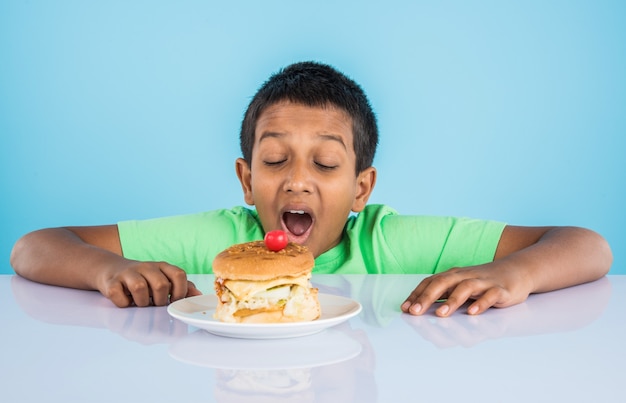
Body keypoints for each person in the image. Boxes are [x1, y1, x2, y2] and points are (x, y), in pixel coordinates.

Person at [10, 61, 613, 317]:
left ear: (360, 188)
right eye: (275, 160)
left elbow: (588, 246)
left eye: (326, 165)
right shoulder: (220, 242)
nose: (297, 179)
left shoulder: (390, 240)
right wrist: (105, 272)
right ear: (247, 180)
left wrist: (516, 276)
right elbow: (33, 247)